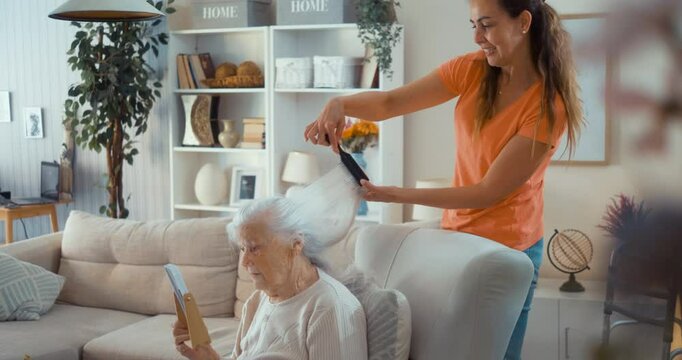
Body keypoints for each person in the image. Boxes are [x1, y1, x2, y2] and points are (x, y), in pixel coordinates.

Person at [304, 0, 582, 358]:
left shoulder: (547, 107)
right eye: (473, 26)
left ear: (524, 22)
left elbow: (487, 192)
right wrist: (340, 103)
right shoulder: (471, 70)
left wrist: (394, 196)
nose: (478, 37)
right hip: (457, 236)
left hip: (509, 249)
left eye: (487, 25)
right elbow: (389, 103)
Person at [172, 196, 368, 360]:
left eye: (255, 248)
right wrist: (207, 355)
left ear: (296, 244)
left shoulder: (330, 307)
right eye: (243, 249)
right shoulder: (258, 300)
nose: (245, 261)